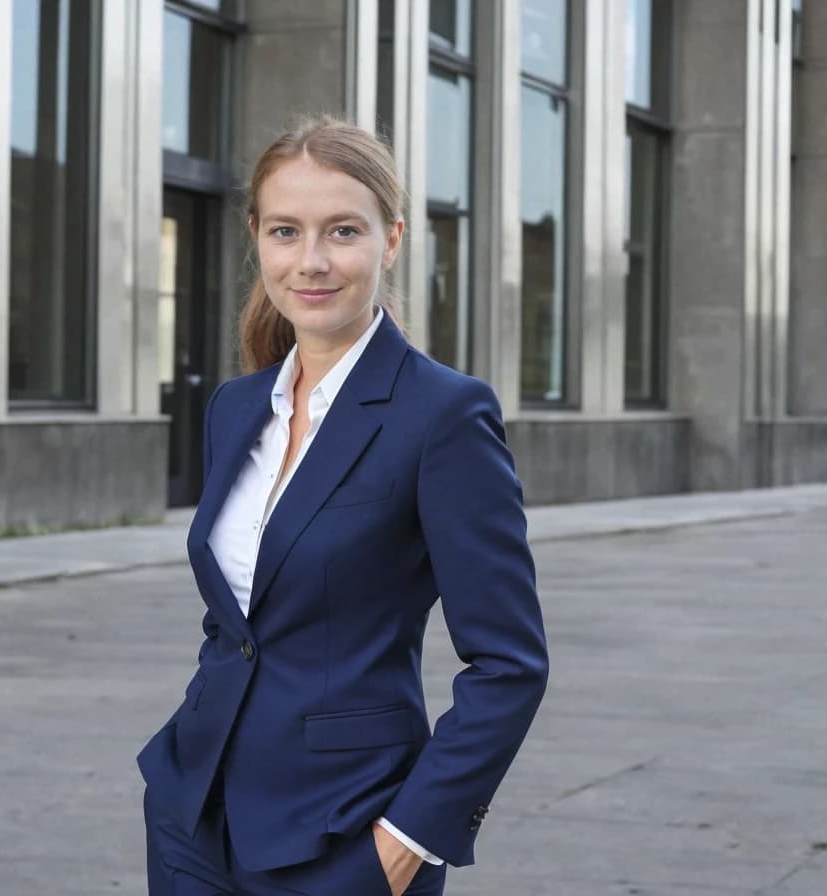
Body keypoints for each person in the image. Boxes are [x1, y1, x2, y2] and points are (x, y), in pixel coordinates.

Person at [138, 116, 548, 896]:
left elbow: (510, 663)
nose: (313, 261)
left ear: (391, 240)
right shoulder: (236, 406)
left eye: (344, 231)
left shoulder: (444, 415)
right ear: (257, 236)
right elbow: (237, 618)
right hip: (193, 819)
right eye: (287, 231)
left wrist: (407, 841)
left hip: (344, 838)